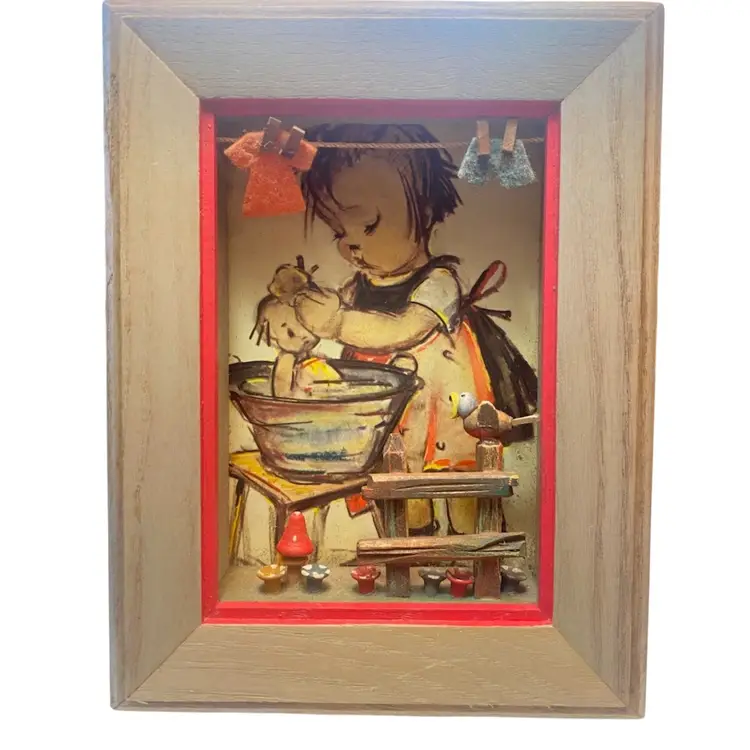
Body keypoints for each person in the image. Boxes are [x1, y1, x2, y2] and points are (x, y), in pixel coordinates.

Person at [294, 124, 537, 534]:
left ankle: (470, 544)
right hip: (394, 412)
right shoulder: (356, 287)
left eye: (368, 225)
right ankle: (413, 549)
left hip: (445, 407)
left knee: (460, 485)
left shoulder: (438, 283)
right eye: (339, 232)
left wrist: (337, 322)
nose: (351, 244)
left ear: (423, 213)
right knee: (402, 488)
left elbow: (403, 328)